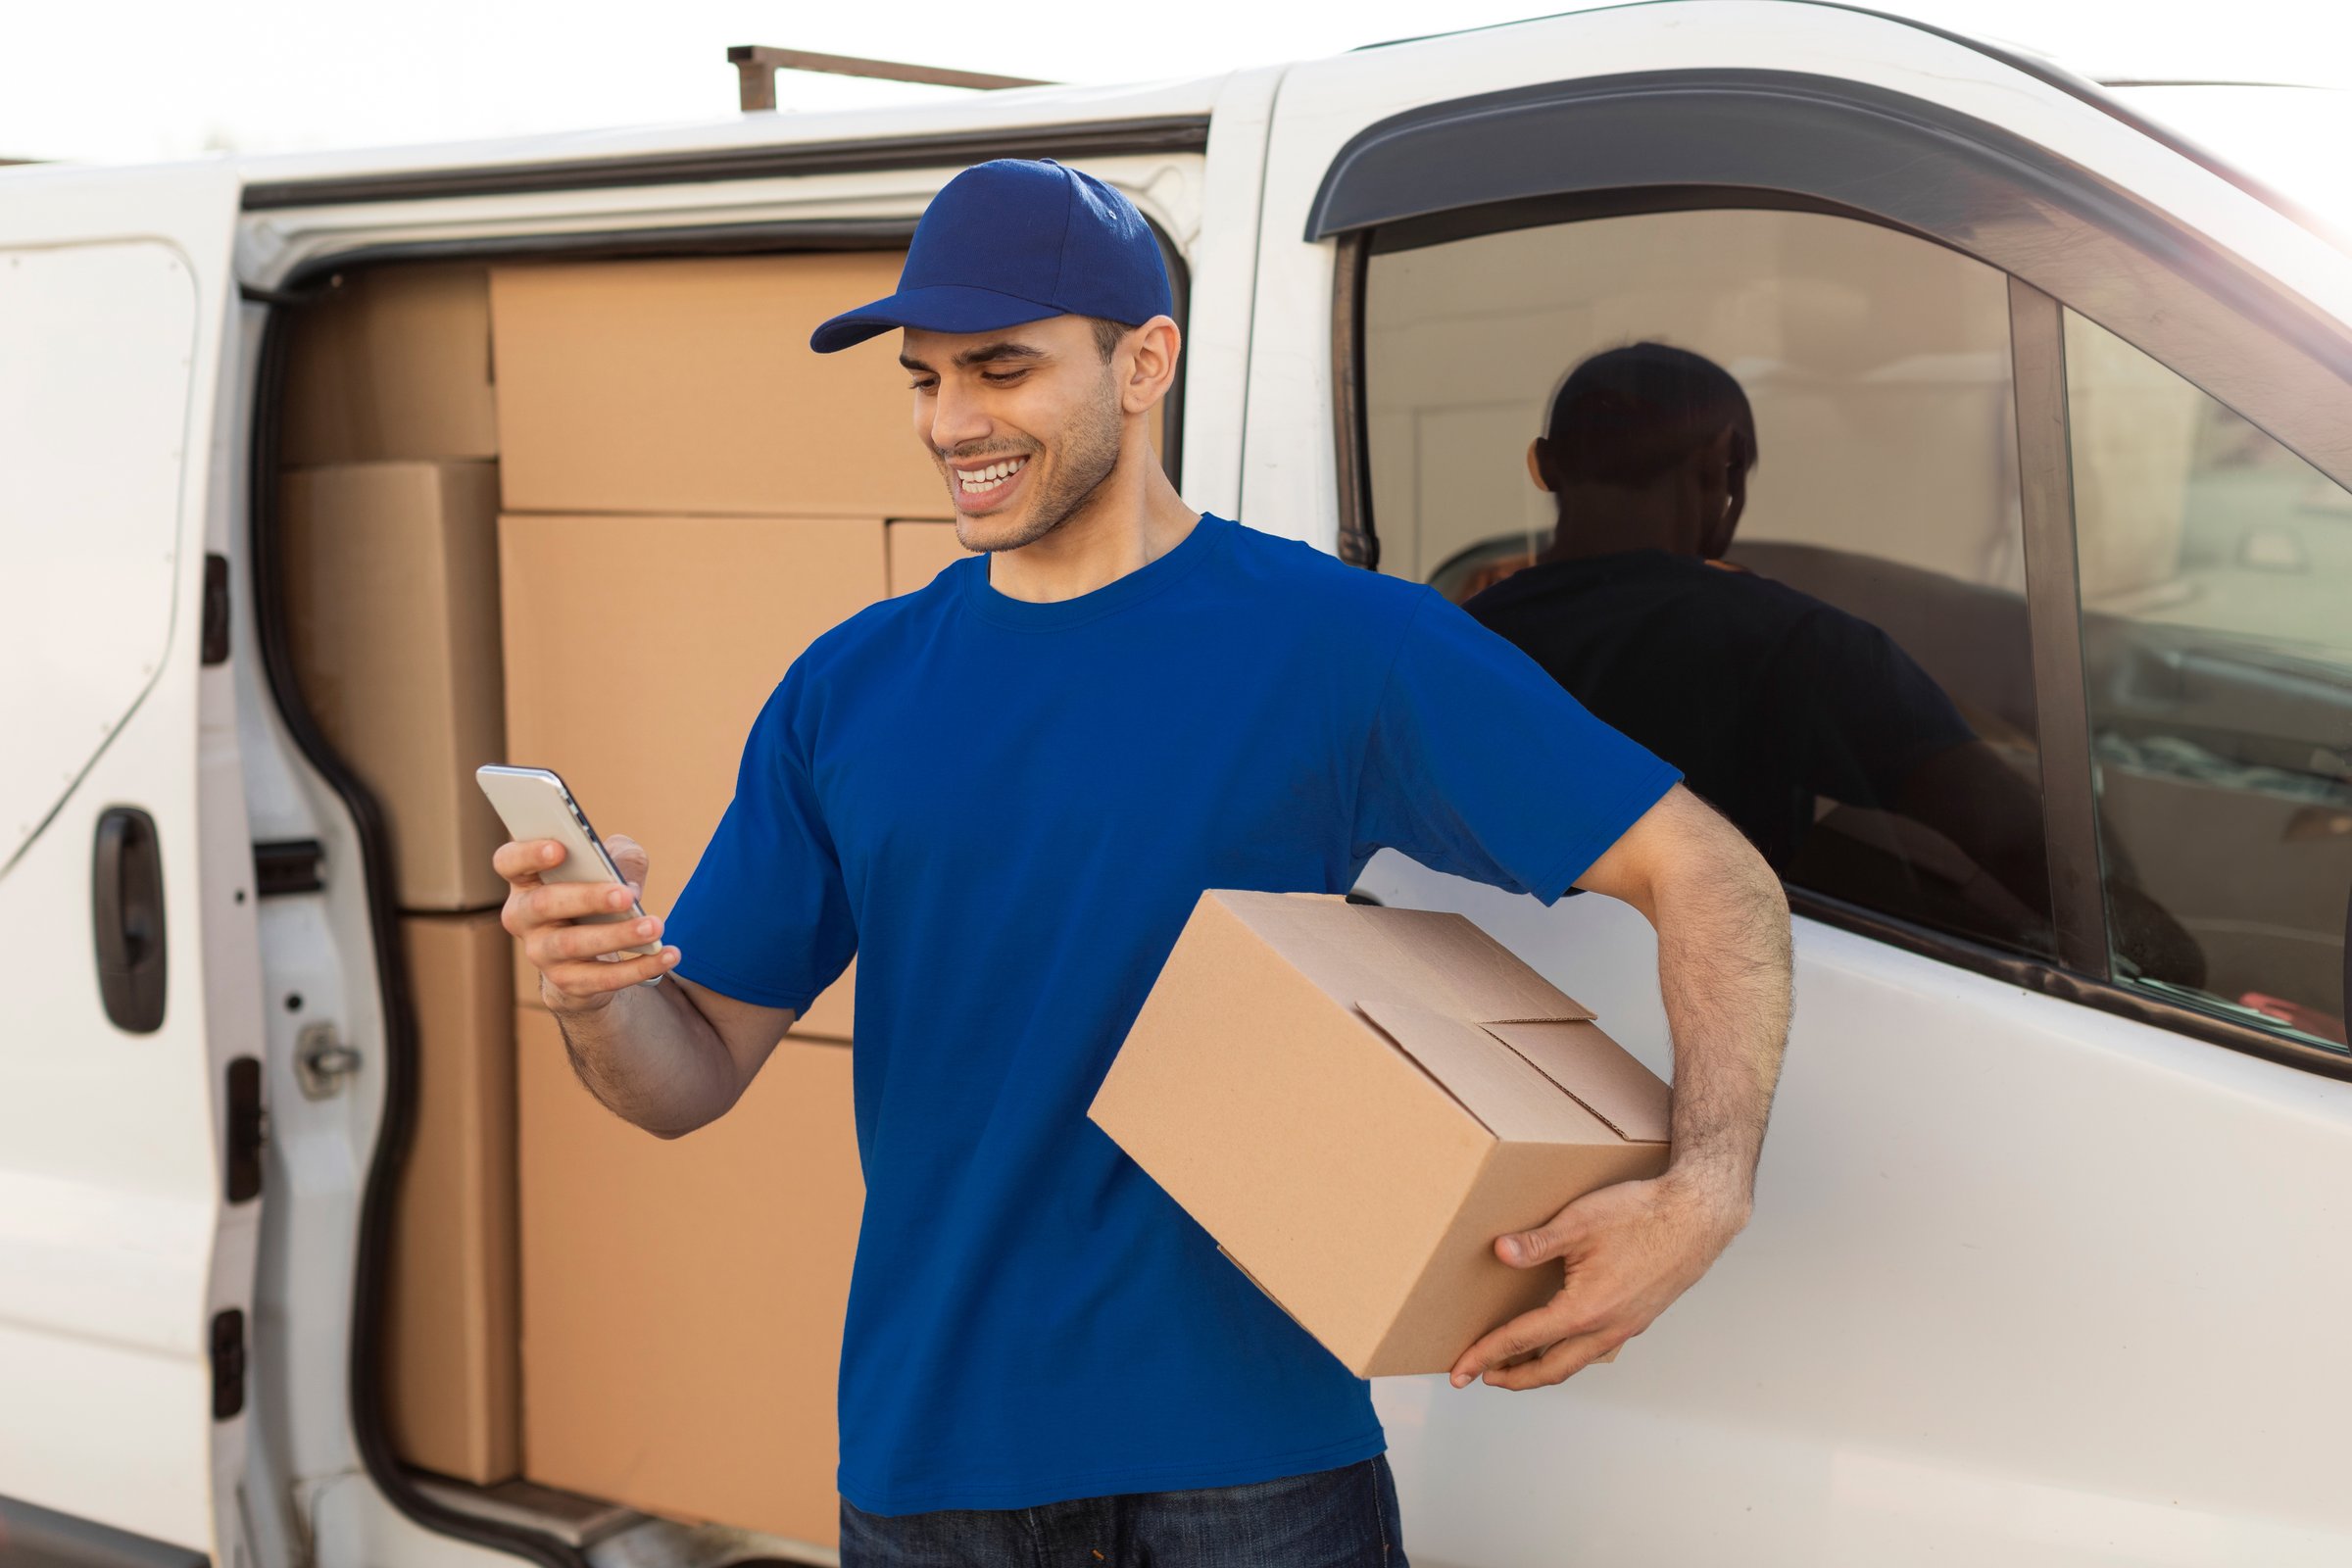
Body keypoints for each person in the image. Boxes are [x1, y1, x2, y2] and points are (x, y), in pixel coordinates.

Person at [494, 163, 1792, 1568]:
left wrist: (1704, 1190)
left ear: (1145, 363)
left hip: (1257, 1464)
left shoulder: (1339, 644)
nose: (951, 421)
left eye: (1002, 368)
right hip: (935, 1467)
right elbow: (684, 1079)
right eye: (925, 378)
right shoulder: (847, 688)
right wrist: (595, 992)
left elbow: (1708, 874)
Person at [1461, 343, 2061, 945]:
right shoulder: (1796, 644)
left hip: (1486, 964)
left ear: (1544, 465)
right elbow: (2015, 835)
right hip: (1723, 977)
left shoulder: (1461, 639)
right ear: (1722, 465)